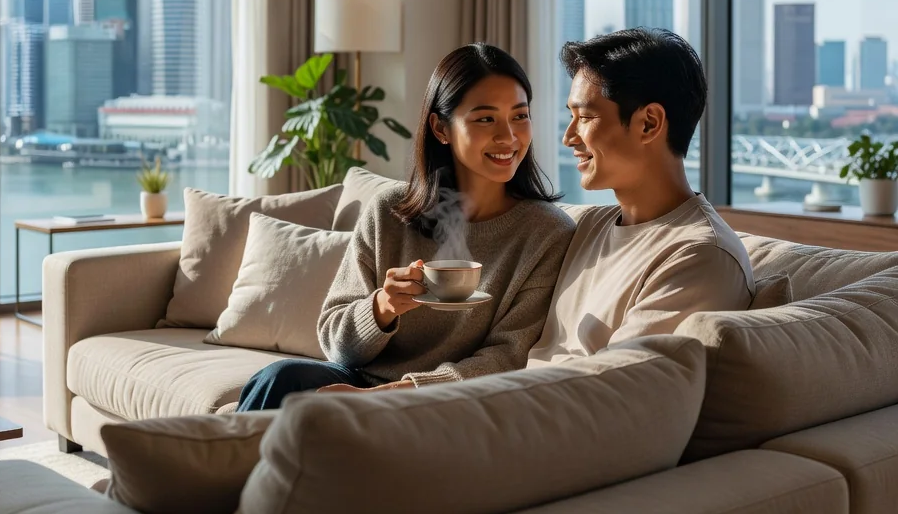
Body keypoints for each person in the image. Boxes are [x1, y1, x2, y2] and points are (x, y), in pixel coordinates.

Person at [235, 43, 576, 411]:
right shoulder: (389, 211)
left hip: (449, 401)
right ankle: (223, 463)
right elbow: (336, 344)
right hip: (362, 382)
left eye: (520, 116)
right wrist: (382, 307)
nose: (508, 136)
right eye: (485, 118)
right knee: (281, 378)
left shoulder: (547, 233)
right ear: (440, 128)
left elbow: (509, 357)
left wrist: (390, 396)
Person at [528, 27, 754, 365]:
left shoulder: (701, 256)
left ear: (649, 123)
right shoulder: (587, 227)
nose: (569, 137)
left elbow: (615, 389)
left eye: (585, 117)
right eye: (570, 117)